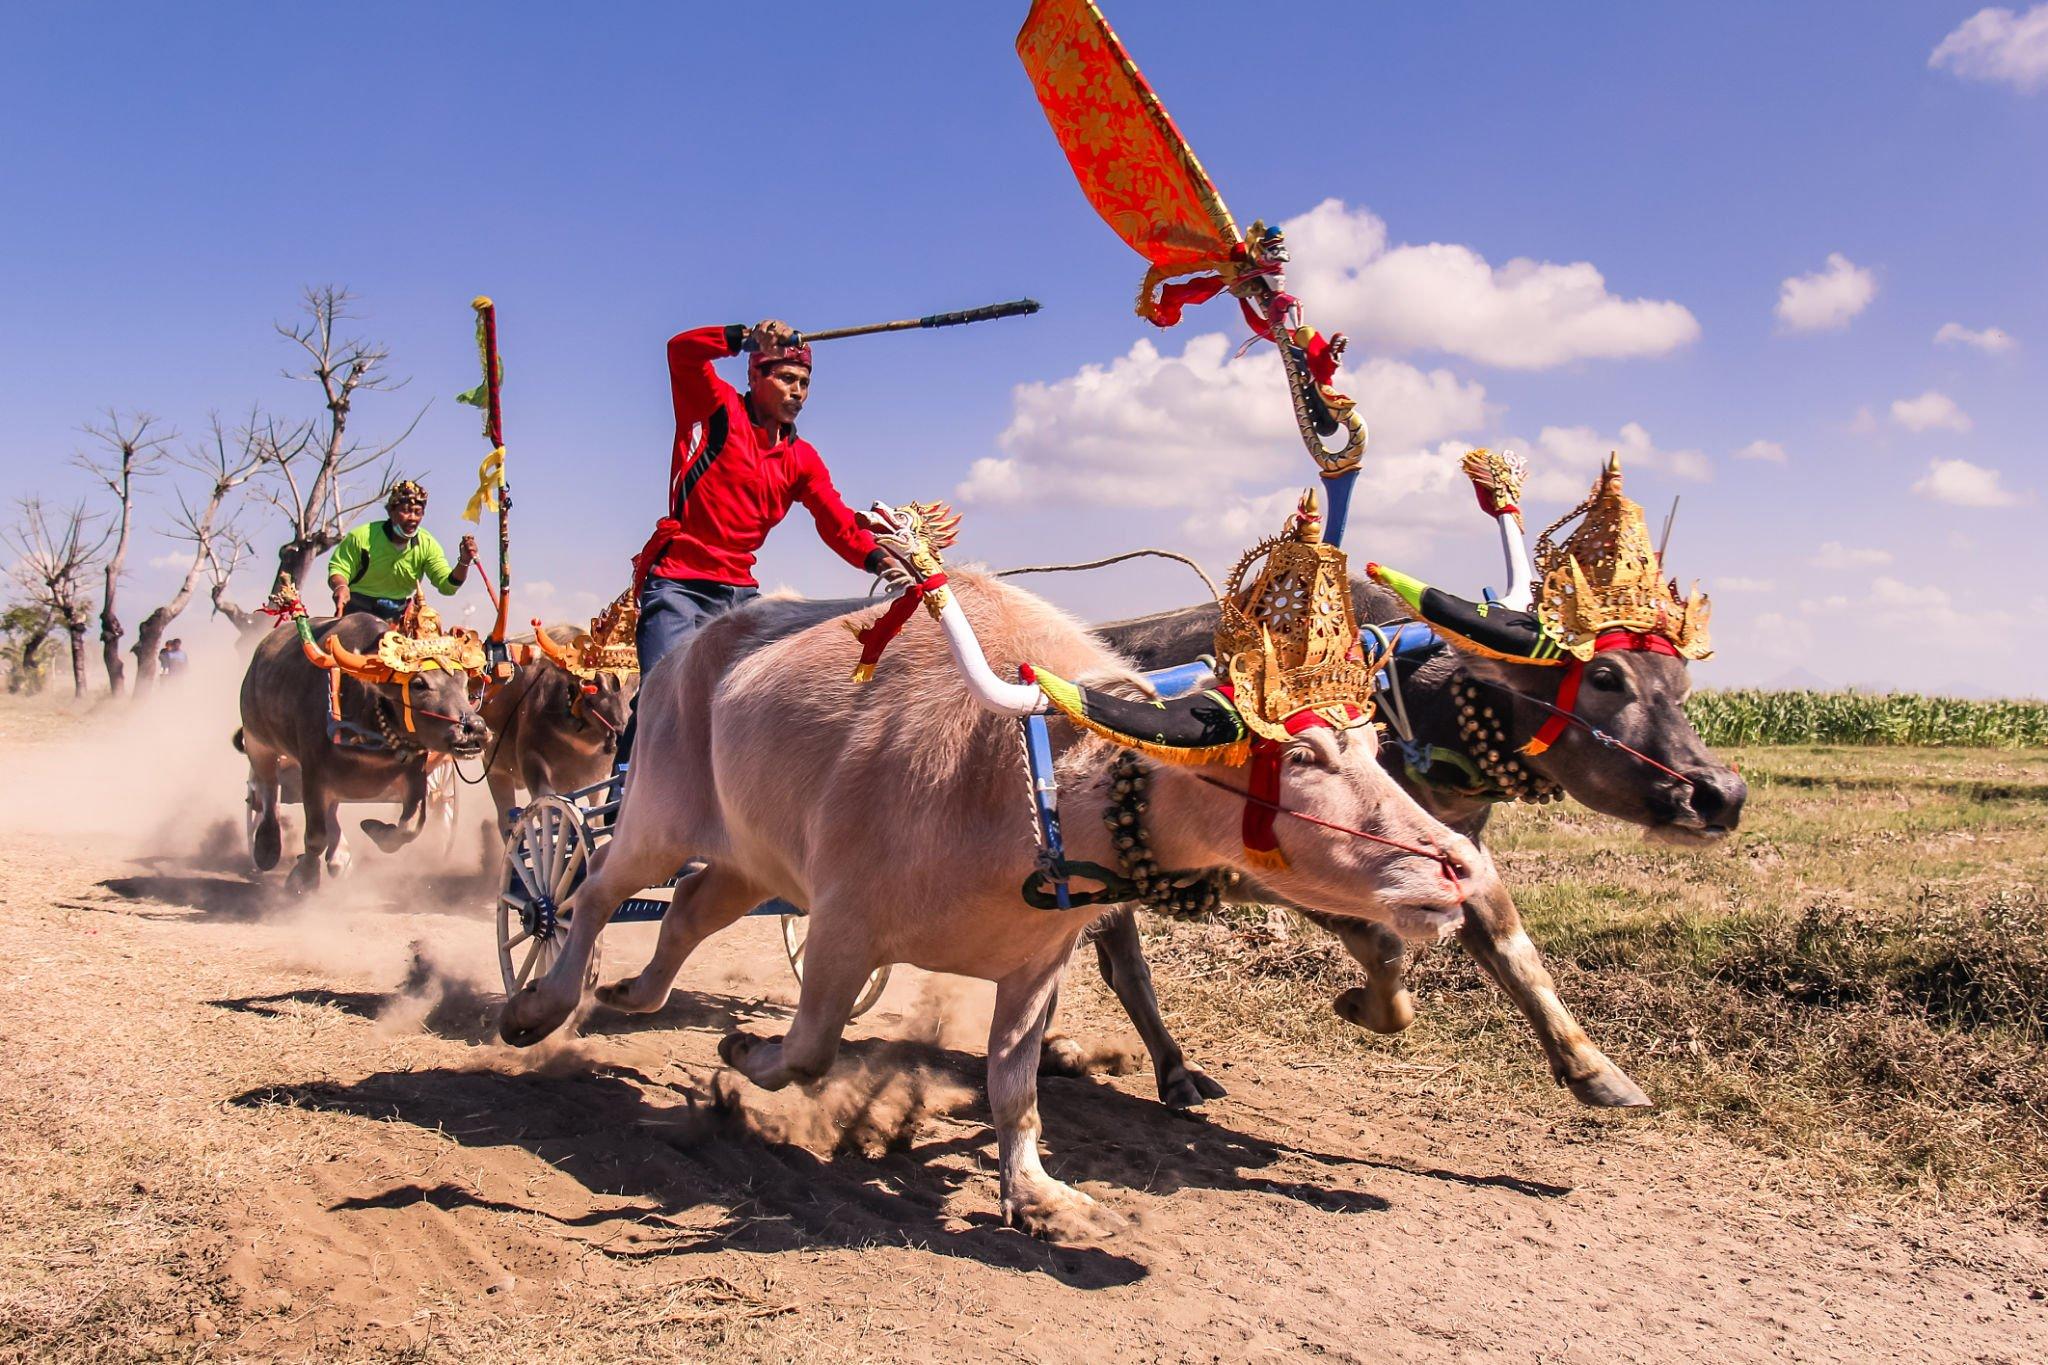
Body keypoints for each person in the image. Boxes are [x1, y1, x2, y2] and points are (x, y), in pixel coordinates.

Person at [618, 317, 900, 765]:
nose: (798, 392)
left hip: (739, 595)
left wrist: (882, 560)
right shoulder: (716, 409)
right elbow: (680, 350)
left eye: (805, 383)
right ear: (754, 375)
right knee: (663, 700)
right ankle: (624, 795)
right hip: (679, 586)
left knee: (759, 701)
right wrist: (743, 337)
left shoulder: (801, 459)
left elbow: (838, 524)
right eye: (787, 378)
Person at [326, 480, 478, 622]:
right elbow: (339, 568)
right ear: (391, 512)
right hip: (357, 611)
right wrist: (341, 586)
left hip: (398, 616)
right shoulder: (362, 536)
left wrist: (464, 561)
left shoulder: (428, 544)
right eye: (405, 511)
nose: (412, 518)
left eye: (417, 512)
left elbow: (448, 586)